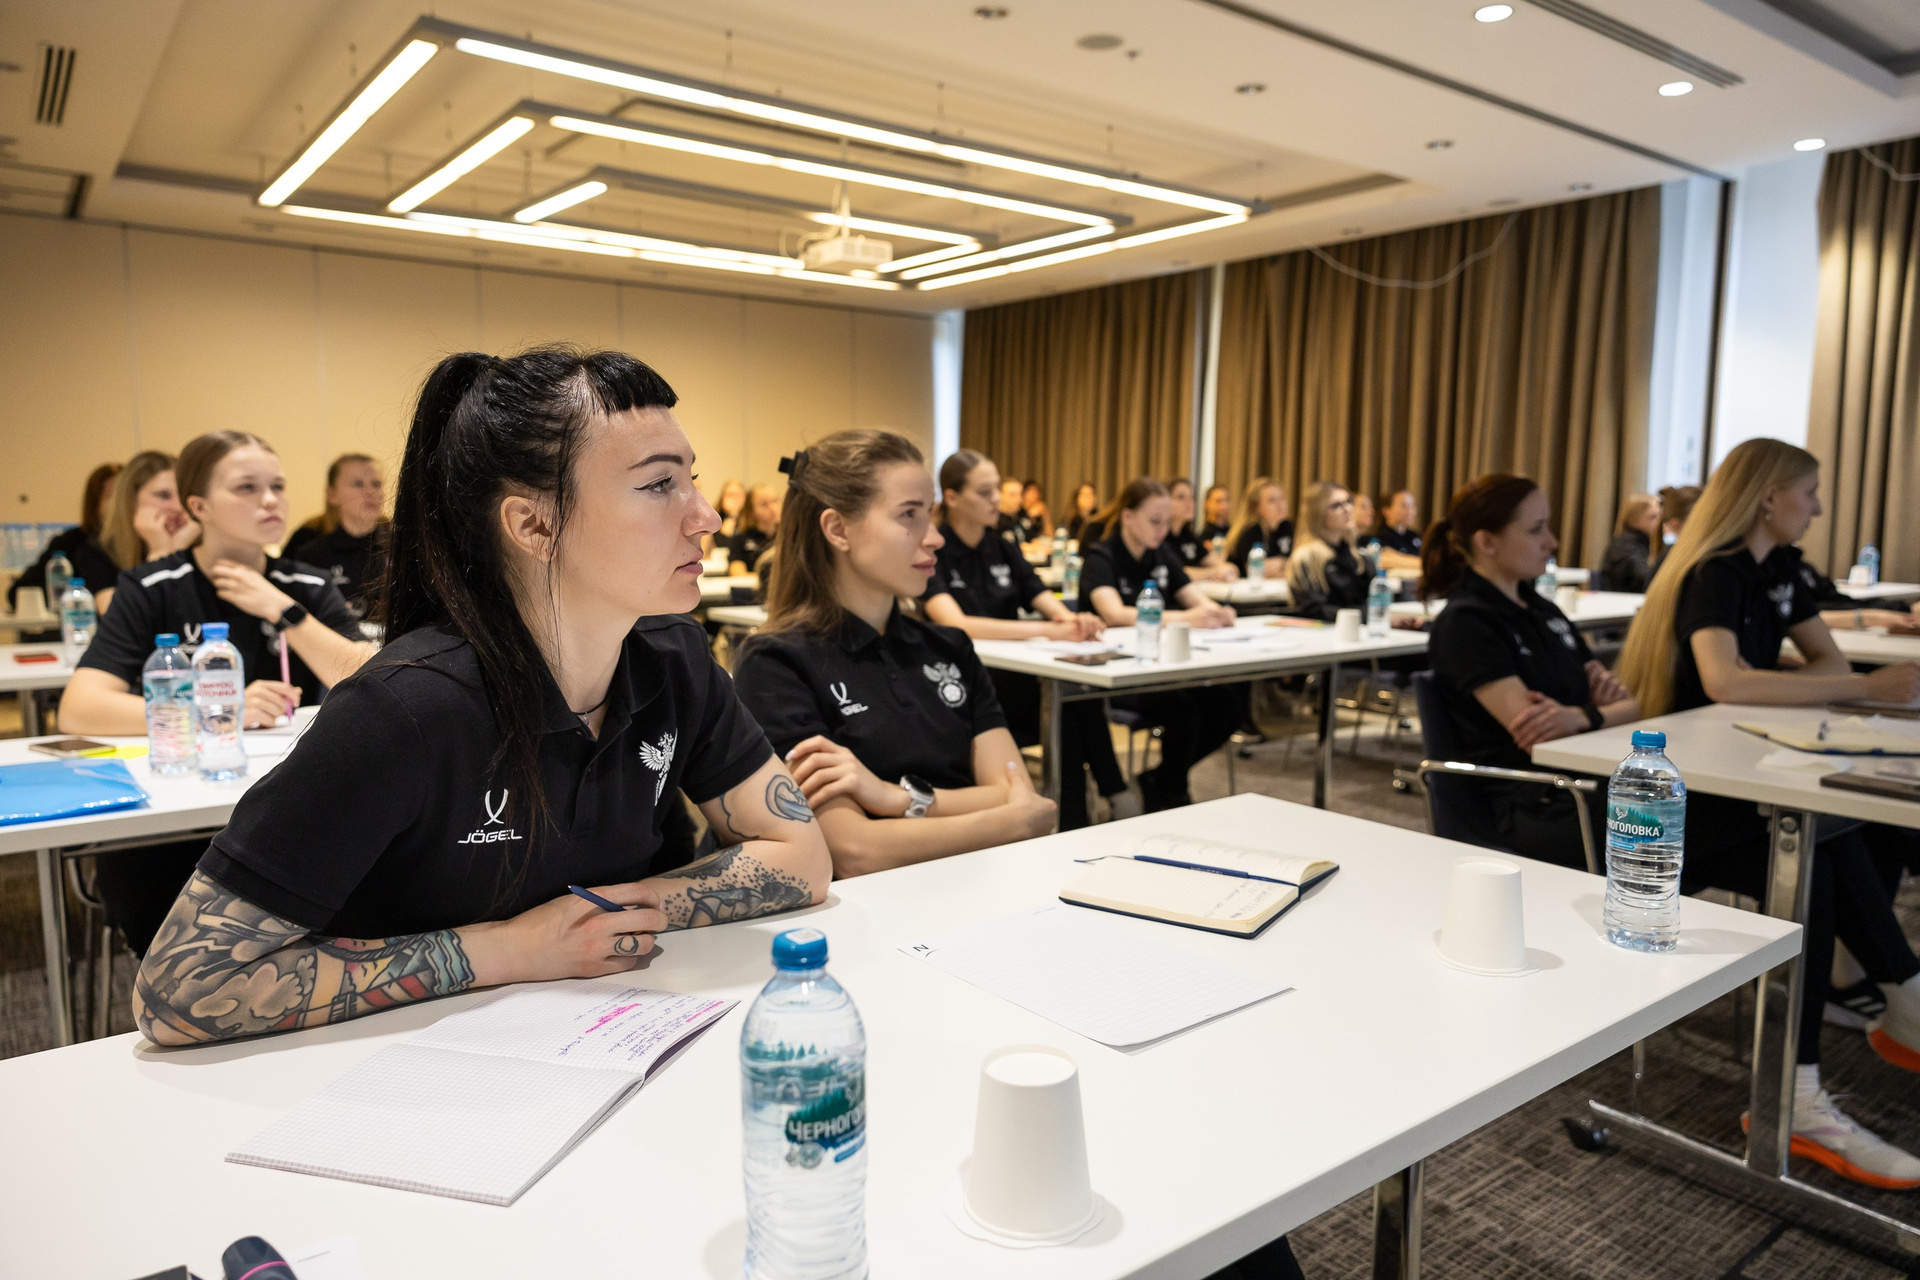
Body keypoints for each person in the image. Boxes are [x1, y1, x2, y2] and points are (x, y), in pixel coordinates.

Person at [130, 348, 830, 1046]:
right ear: (533, 526)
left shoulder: (674, 658)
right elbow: (179, 989)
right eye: (658, 486)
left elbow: (801, 855)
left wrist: (625, 910)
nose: (705, 517)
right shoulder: (403, 709)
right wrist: (512, 950)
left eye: (691, 481)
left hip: (605, 1034)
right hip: (398, 1074)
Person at [1617, 437, 1920, 1188]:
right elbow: (1725, 682)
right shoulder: (1713, 573)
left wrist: (1793, 678)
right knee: (1811, 857)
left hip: (1735, 779)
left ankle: (1855, 1037)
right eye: (1808, 492)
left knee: (1842, 834)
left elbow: (1829, 663)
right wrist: (1857, 689)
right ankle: (1847, 1051)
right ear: (1768, 498)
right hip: (1677, 802)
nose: (1816, 508)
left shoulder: (1777, 569)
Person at [61, 433, 378, 957]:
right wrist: (218, 711)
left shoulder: (304, 584)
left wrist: (283, 610)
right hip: (179, 823)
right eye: (247, 488)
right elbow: (80, 707)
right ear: (198, 506)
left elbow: (371, 679)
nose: (271, 500)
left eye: (277, 486)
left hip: (291, 805)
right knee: (174, 921)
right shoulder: (153, 586)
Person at [731, 431, 1057, 876]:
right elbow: (854, 850)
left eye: (931, 515)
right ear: (838, 529)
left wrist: (892, 798)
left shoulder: (950, 647)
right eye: (909, 515)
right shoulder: (775, 663)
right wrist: (1008, 821)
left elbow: (1016, 788)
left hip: (978, 887)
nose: (935, 538)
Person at [1423, 475, 1637, 866]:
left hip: (1580, 781)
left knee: (1700, 813)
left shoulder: (1543, 610)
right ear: (1487, 542)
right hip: (1531, 801)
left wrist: (1579, 717)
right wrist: (1593, 714)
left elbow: (1632, 708)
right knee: (1688, 822)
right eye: (1536, 529)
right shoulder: (1467, 623)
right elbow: (1539, 733)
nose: (1552, 542)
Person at [921, 450, 1136, 830]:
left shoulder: (1001, 546)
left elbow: (1040, 596)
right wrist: (1046, 629)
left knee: (1072, 701)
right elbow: (957, 624)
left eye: (997, 490)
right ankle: (1108, 801)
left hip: (1014, 678)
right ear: (951, 497)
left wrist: (1073, 620)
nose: (996, 500)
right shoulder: (935, 552)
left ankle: (1079, 818)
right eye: (984, 492)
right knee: (1068, 707)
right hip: (964, 688)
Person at [1079, 479, 1244, 811]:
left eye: (1166, 522)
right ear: (1128, 516)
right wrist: (1187, 618)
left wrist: (1217, 612)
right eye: (1154, 521)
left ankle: (1163, 780)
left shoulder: (1160, 554)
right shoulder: (1102, 556)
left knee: (1228, 704)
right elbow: (1113, 613)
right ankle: (1172, 790)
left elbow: (1194, 598)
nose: (1162, 530)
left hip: (1161, 665)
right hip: (1114, 672)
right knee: (1184, 712)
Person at [284, 453, 389, 617]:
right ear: (332, 495)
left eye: (376, 484)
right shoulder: (311, 555)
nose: (370, 492)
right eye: (358, 484)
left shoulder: (405, 547)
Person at [8, 462, 121, 613]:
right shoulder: (74, 543)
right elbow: (19, 592)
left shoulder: (145, 543)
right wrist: (70, 600)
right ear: (95, 502)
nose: (121, 505)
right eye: (111, 497)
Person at [1284, 482, 1370, 621]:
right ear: (1318, 513)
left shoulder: (1355, 555)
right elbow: (1314, 610)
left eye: (1348, 502)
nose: (1347, 509)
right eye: (1336, 505)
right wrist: (1367, 616)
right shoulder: (1306, 557)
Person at [1165, 478, 1237, 582]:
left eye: (1191, 497)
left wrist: (1226, 568)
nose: (1189, 503)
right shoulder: (1161, 537)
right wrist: (1214, 572)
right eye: (1181, 497)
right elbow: (1177, 573)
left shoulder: (1187, 535)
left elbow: (1220, 564)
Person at [1225, 477, 1294, 576]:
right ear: (1256, 507)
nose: (1280, 505)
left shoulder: (1286, 527)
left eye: (1282, 498)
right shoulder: (1252, 530)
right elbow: (1256, 569)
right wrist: (1285, 563)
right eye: (1272, 500)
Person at [1596, 493, 1662, 593]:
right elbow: (1644, 577)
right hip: (1622, 599)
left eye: (1659, 516)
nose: (1658, 522)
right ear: (1634, 519)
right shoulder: (1624, 545)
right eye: (1652, 517)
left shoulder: (1640, 542)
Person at [728, 482, 781, 577]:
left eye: (775, 501)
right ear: (752, 510)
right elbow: (738, 574)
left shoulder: (790, 538)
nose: (773, 508)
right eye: (764, 504)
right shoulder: (740, 539)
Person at [1374, 489, 1423, 573]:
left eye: (1412, 505)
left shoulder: (1414, 536)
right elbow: (1384, 559)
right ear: (1387, 511)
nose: (1410, 510)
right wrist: (1424, 563)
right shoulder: (1381, 537)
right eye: (1404, 506)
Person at [709, 477, 747, 555]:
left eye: (738, 495)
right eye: (730, 495)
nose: (734, 499)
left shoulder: (750, 519)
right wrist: (732, 516)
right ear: (722, 498)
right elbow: (721, 545)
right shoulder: (713, 518)